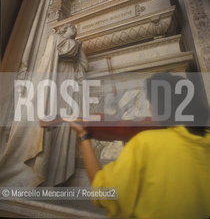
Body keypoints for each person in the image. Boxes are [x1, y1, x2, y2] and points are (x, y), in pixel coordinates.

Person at [70, 73, 210, 219]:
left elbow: (104, 193)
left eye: (151, 103)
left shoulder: (145, 143)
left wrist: (83, 137)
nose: (149, 109)